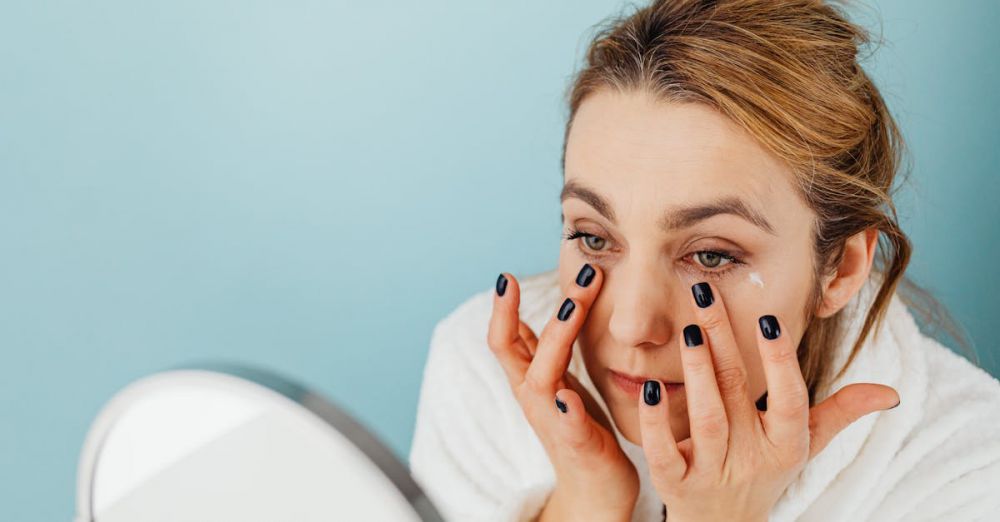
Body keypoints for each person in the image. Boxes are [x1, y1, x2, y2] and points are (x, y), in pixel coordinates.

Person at [408, 1, 1000, 520]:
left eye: (711, 255)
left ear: (841, 269)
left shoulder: (969, 466)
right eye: (593, 237)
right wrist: (586, 501)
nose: (632, 325)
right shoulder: (484, 376)